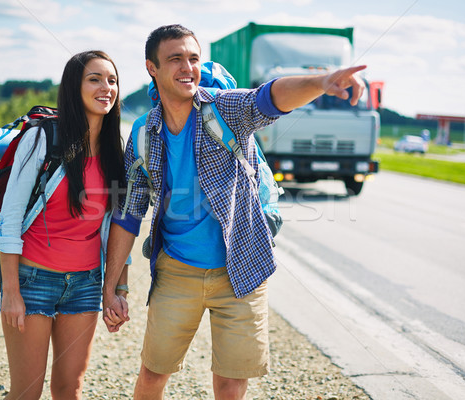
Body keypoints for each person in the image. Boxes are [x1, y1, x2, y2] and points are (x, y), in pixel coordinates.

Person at [105, 24, 366, 400]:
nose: (187, 67)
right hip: (177, 272)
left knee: (230, 384)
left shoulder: (223, 109)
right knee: (152, 375)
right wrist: (113, 286)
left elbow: (269, 97)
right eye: (175, 58)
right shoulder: (146, 133)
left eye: (193, 58)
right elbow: (129, 214)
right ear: (152, 68)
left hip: (242, 266)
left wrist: (322, 81)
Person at [0, 50, 130, 400]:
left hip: (85, 284)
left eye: (112, 80)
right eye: (95, 79)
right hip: (32, 281)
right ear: (74, 86)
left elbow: (117, 226)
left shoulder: (117, 149)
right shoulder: (41, 139)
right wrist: (11, 292)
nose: (106, 87)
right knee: (26, 392)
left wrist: (118, 289)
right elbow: (9, 220)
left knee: (70, 389)